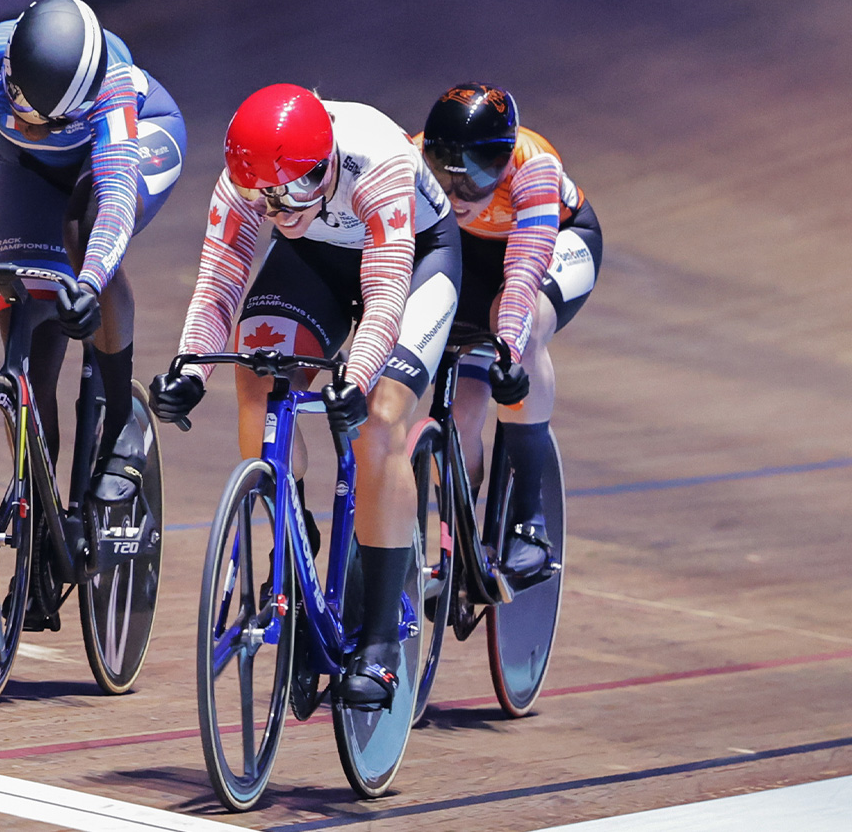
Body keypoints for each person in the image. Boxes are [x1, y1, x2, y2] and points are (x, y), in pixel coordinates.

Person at [151, 85, 459, 711]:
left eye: (294, 190)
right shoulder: (249, 181)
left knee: (379, 419)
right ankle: (291, 539)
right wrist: (188, 370)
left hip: (417, 259)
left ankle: (378, 643)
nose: (280, 206)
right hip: (315, 261)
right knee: (256, 377)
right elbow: (217, 286)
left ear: (325, 164)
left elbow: (386, 291)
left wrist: (358, 375)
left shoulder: (377, 158)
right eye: (267, 197)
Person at [0, 0, 186, 516]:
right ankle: (38, 519)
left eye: (44, 118)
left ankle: (121, 424)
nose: (26, 123)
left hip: (139, 137)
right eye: (19, 106)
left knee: (85, 224)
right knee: (30, 345)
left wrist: (90, 283)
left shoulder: (112, 82)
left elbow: (115, 198)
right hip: (33, 171)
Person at [415, 83, 601, 583]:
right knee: (463, 411)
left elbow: (523, 271)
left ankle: (529, 519)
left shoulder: (533, 166)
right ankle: (459, 543)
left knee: (521, 319)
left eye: (474, 184)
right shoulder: (408, 158)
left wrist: (510, 351)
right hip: (471, 257)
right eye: (443, 180)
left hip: (556, 242)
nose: (455, 198)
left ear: (502, 164)